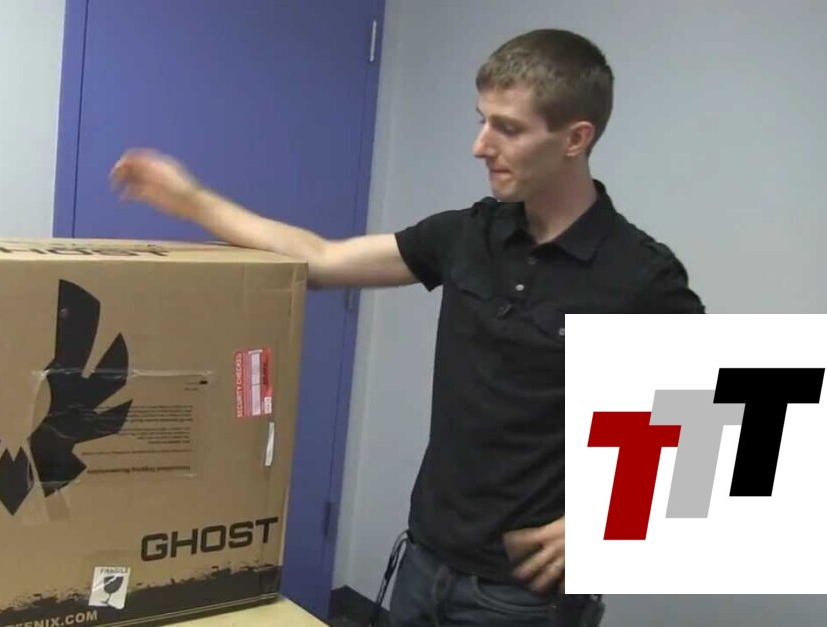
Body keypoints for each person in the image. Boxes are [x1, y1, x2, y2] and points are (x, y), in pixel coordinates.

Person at [110, 28, 703, 627]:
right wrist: (190, 199)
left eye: (508, 129)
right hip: (424, 563)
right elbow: (322, 259)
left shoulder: (639, 274)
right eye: (482, 121)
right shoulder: (469, 234)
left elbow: (713, 423)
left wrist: (611, 519)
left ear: (576, 138)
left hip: (523, 598)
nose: (480, 145)